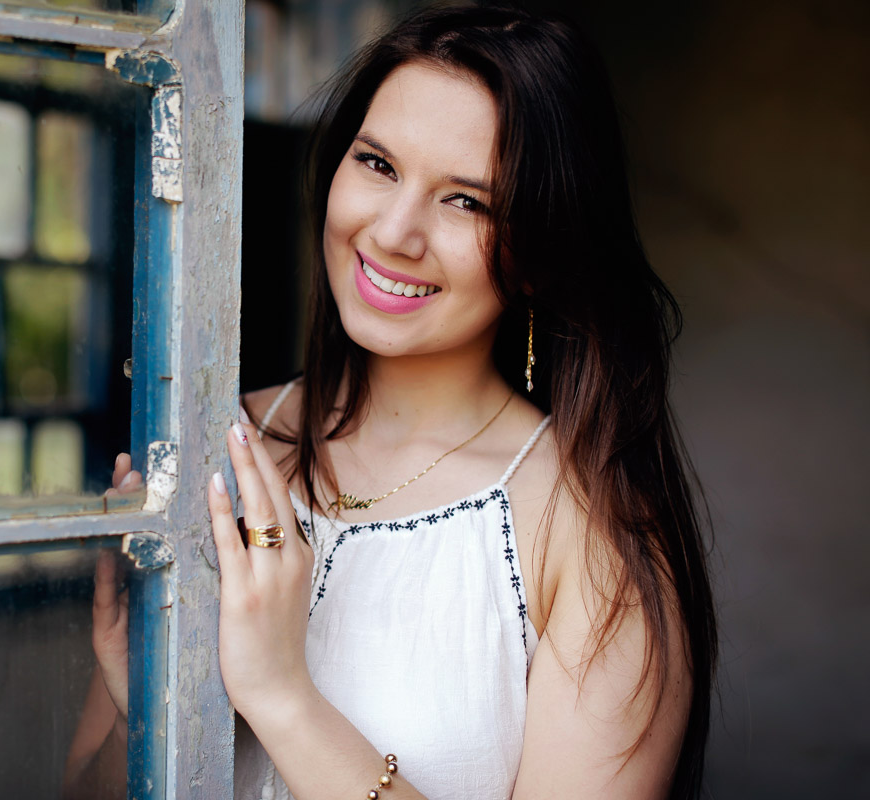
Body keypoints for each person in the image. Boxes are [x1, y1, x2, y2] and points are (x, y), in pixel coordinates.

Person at [66, 4, 716, 799]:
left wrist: (283, 698)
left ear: (543, 251)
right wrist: (149, 712)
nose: (395, 231)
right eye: (378, 164)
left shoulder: (592, 537)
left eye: (467, 202)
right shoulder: (217, 446)